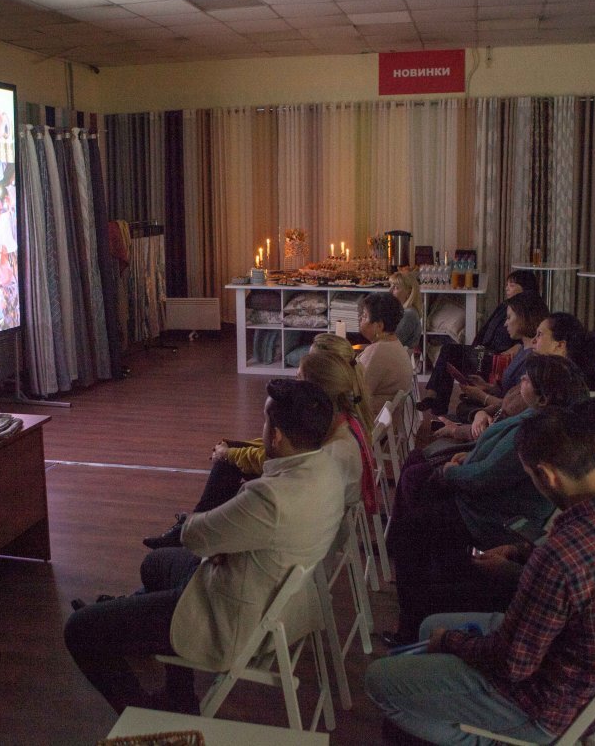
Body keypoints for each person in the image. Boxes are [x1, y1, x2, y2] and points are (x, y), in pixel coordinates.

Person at [366, 403, 595, 745]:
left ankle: (489, 737)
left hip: (547, 705)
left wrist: (449, 641)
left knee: (380, 677)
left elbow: (511, 665)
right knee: (429, 625)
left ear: (546, 476)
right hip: (594, 675)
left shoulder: (561, 556)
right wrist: (522, 552)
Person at [65, 380, 345, 714]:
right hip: (277, 594)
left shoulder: (271, 498)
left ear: (278, 435)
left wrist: (217, 534)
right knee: (155, 564)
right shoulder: (328, 467)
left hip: (233, 616)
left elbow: (194, 535)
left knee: (80, 629)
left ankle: (142, 713)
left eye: (266, 422)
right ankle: (179, 694)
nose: (264, 429)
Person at [383, 355, 589, 644]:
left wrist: (452, 471)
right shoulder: (533, 418)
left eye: (527, 380)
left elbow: (486, 478)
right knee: (420, 499)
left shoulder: (538, 431)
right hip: (482, 503)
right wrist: (468, 456)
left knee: (411, 531)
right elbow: (492, 455)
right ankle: (424, 607)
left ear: (543, 397)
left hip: (491, 516)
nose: (520, 382)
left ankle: (412, 625)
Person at [140, 347, 371, 550]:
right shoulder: (341, 423)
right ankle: (196, 522)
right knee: (230, 460)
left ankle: (193, 526)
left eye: (298, 378)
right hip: (316, 518)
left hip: (312, 527)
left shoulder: (331, 452)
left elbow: (280, 458)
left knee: (228, 465)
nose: (293, 381)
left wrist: (231, 454)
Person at [432, 312, 595, 442]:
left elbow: (507, 427)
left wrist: (459, 430)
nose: (534, 341)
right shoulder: (542, 369)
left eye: (540, 335)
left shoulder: (550, 381)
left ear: (560, 345)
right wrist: (481, 412)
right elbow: (507, 405)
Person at [419, 271, 540, 415]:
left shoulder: (529, 313)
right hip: (484, 351)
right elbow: (485, 330)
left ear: (526, 289)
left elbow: (530, 335)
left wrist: (517, 346)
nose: (507, 288)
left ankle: (438, 402)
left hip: (496, 358)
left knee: (450, 353)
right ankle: (436, 400)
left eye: (512, 285)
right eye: (506, 285)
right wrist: (473, 347)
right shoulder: (504, 306)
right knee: (449, 352)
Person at [455, 291, 549, 417]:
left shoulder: (534, 357)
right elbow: (509, 391)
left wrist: (483, 396)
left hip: (507, 413)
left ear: (523, 318)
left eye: (509, 318)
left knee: (465, 408)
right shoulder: (522, 349)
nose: (505, 323)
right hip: (501, 403)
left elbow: (515, 407)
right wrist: (488, 387)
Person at [357, 291, 415, 419]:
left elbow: (358, 394)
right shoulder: (394, 342)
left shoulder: (377, 352)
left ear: (379, 326)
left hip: (370, 419)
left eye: (365, 316)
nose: (361, 319)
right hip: (386, 418)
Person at [390, 269, 424, 350]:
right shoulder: (403, 311)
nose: (390, 290)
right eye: (390, 286)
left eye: (396, 288)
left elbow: (392, 343)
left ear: (409, 292)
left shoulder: (409, 314)